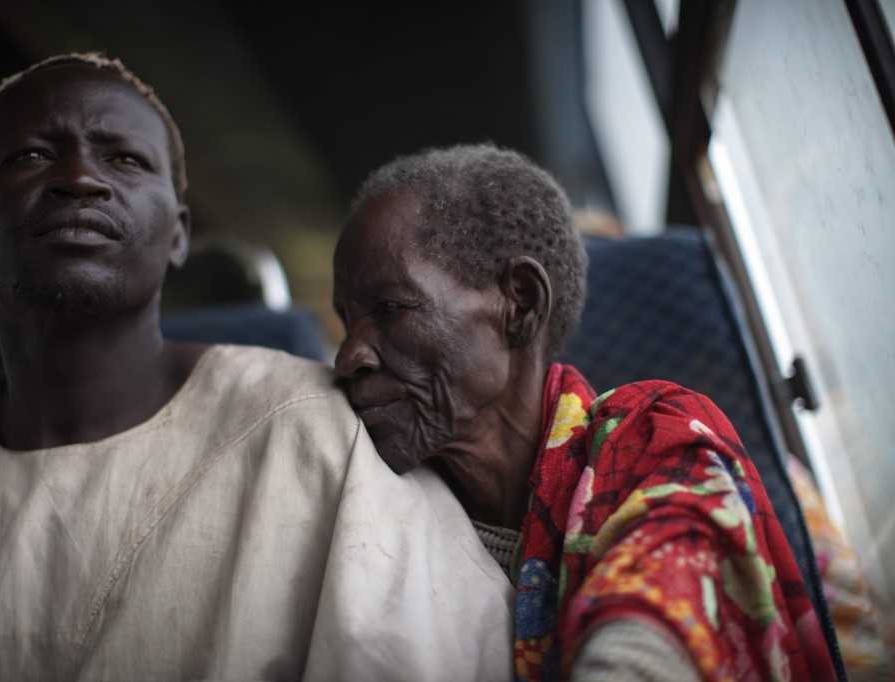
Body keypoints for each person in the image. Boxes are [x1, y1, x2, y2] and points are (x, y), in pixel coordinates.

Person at [0, 54, 514, 681]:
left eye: (124, 159)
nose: (81, 179)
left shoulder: (312, 429)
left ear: (179, 235)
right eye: (31, 156)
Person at [332, 143, 840, 681]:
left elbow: (658, 619)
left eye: (388, 309)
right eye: (347, 322)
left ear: (520, 305)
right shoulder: (366, 485)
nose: (346, 358)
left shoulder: (659, 439)